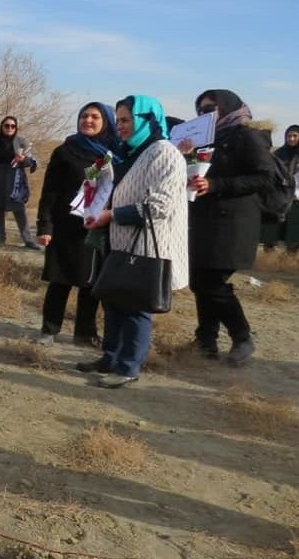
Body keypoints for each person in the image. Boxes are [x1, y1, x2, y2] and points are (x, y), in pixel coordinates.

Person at [78, 95, 189, 388]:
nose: (121, 126)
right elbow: (110, 186)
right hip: (119, 241)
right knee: (114, 301)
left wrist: (111, 215)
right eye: (118, 121)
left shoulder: (164, 153)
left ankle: (128, 367)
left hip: (146, 244)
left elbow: (160, 206)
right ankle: (110, 358)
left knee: (135, 308)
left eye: (127, 120)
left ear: (147, 120)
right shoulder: (128, 153)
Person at [186, 89, 266, 366]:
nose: (204, 114)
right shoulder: (206, 138)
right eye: (200, 110)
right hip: (204, 220)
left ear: (228, 107)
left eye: (210, 109)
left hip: (232, 223)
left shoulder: (247, 136)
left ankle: (242, 337)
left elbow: (263, 177)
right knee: (200, 280)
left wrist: (217, 185)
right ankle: (206, 341)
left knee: (212, 282)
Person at [36, 102, 119, 346]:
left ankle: (84, 333)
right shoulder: (65, 151)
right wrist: (45, 226)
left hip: (97, 228)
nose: (88, 120)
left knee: (91, 283)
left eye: (95, 117)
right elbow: (50, 192)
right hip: (65, 226)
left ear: (106, 122)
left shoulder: (115, 154)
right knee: (60, 281)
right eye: (84, 115)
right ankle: (49, 330)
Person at [0, 117, 41, 250]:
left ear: (16, 128)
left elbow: (33, 162)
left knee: (20, 211)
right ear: (2, 126)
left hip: (15, 181)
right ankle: (0, 241)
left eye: (13, 126)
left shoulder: (22, 141)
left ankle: (28, 240)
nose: (9, 128)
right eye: (7, 126)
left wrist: (23, 160)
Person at [261, 124, 299, 253]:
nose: (291, 139)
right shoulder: (279, 153)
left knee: (297, 224)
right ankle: (270, 249)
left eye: (295, 136)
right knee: (275, 224)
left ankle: (292, 251)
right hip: (281, 193)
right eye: (289, 136)